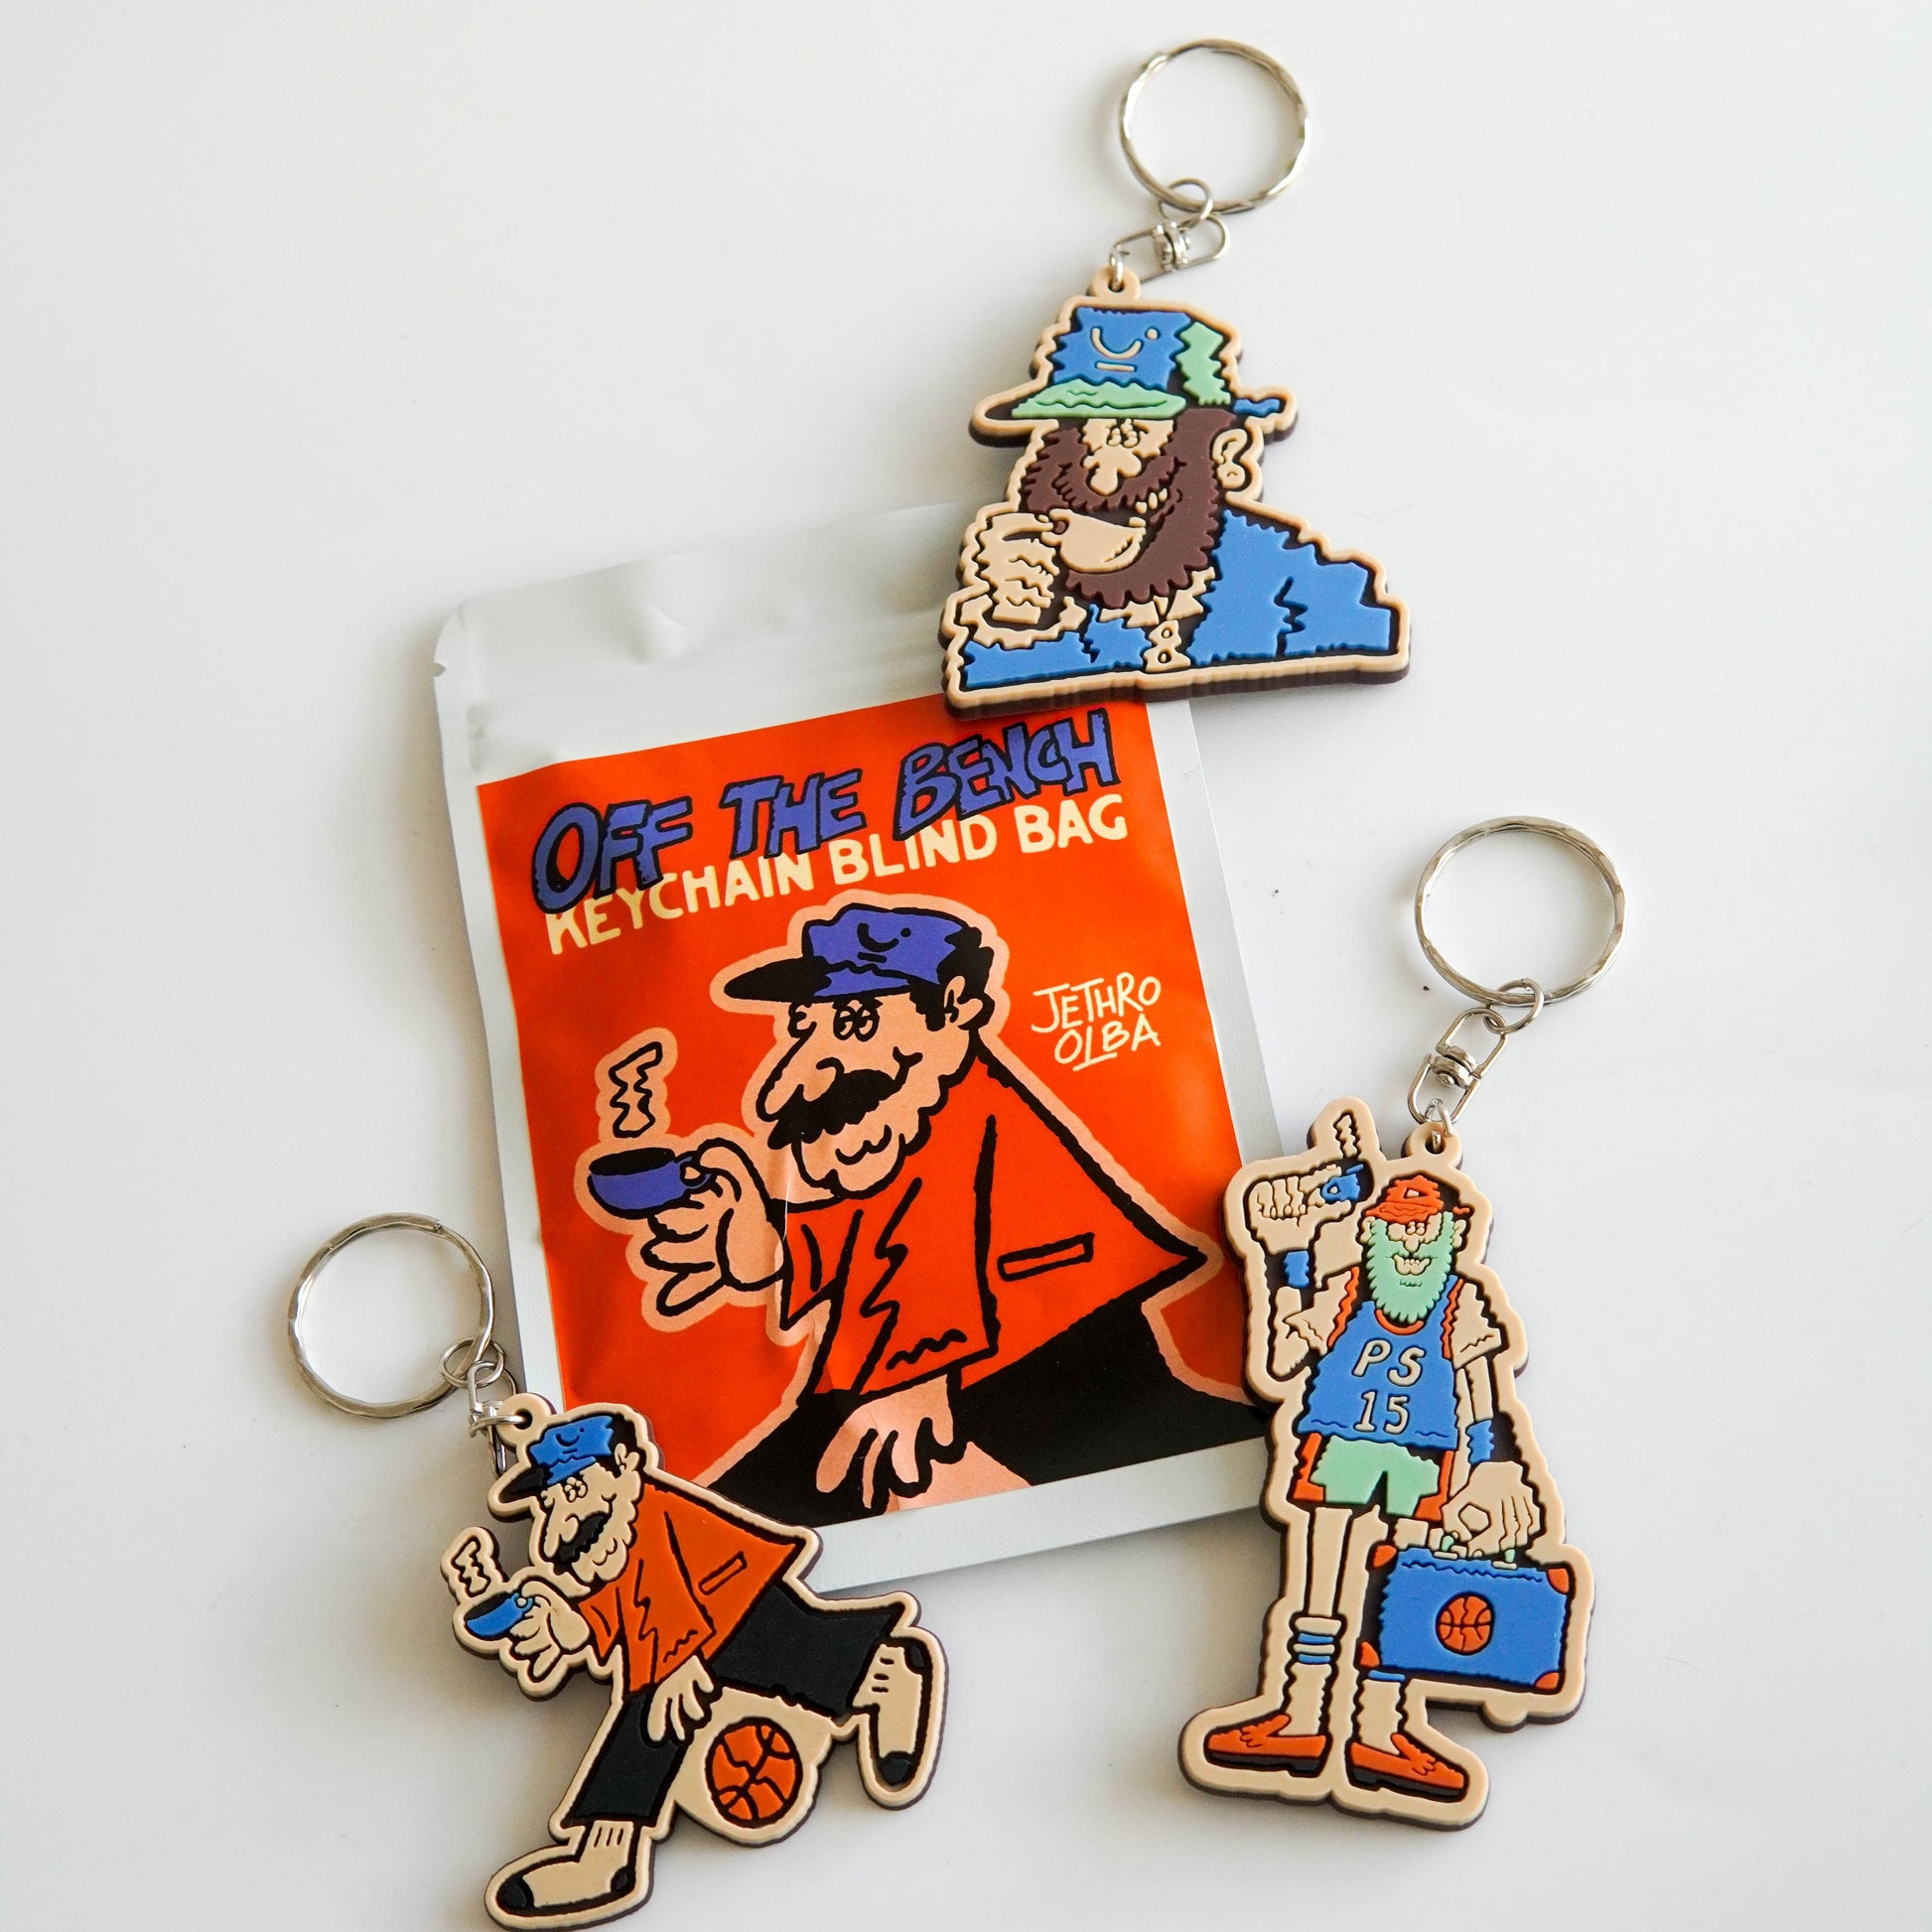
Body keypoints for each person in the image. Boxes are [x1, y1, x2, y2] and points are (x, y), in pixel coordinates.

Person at [635, 900, 1259, 1522]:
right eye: (806, 1024)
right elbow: (870, 1229)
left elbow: (971, 1241)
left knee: (744, 1512)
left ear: (954, 1005)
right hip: (888, 1382)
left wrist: (922, 1378)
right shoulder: (897, 1121)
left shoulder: (975, 1111)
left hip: (1035, 1366)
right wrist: (769, 1243)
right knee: (719, 1510)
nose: (811, 1062)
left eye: (854, 1020)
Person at [444, 1404, 941, 1927]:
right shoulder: (610, 1544)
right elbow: (602, 1616)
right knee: (655, 1724)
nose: (563, 1512)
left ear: (623, 1465)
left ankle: (887, 1673)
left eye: (575, 1488)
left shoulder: (653, 1509)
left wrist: (681, 1659)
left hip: (737, 1600)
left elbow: (671, 1583)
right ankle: (604, 1858)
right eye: (552, 1499)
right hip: (680, 1650)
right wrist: (517, 1606)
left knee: (790, 1656)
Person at [1198, 1159, 1543, 1802]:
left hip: (1423, 1459)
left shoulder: (1460, 1305)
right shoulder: (1345, 1291)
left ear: (1450, 1237)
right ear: (1374, 1234)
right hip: (1343, 1446)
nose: (1412, 1246)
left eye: (1425, 1232)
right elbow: (1281, 1362)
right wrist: (1288, 1257)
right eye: (1399, 1230)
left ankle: (1380, 1731)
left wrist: (1492, 1465)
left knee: (1400, 1591)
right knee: (1320, 1584)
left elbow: (1482, 1392)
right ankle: (1300, 1718)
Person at [942, 294, 1403, 701]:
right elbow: (983, 685)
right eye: (1077, 432)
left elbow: (1357, 631)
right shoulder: (1020, 586)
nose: (1101, 476)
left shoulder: (1308, 591)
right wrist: (1013, 621)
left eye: (1131, 434)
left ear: (1224, 451)